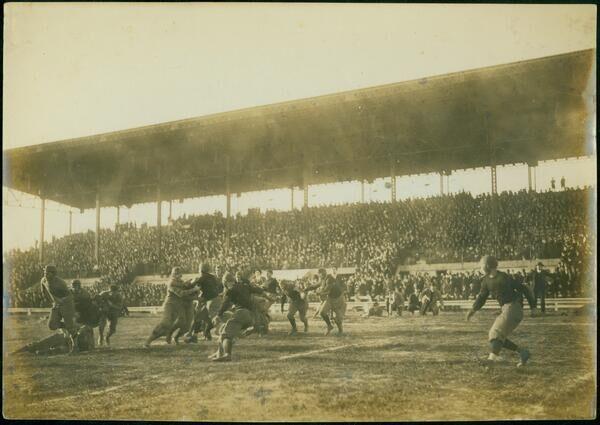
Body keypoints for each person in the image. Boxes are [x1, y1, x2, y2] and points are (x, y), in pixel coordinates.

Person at [466, 255, 537, 367]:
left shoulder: (504, 277)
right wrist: (473, 310)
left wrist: (533, 307)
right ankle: (523, 352)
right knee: (496, 336)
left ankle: (491, 361)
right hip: (507, 309)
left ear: (488, 266)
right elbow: (482, 297)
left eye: (482, 265)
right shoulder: (485, 280)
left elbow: (523, 288)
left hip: (513, 307)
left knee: (496, 333)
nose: (481, 268)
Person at [210, 270, 265, 362]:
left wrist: (218, 315)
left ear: (225, 282)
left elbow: (225, 304)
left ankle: (227, 354)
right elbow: (260, 290)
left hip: (241, 314)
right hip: (250, 316)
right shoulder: (244, 285)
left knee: (225, 335)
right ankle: (219, 353)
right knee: (223, 329)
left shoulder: (230, 290)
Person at [144, 267, 199, 348]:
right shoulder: (171, 282)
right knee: (165, 323)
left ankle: (170, 334)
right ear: (172, 274)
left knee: (183, 323)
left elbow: (185, 285)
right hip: (170, 305)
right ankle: (148, 340)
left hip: (178, 305)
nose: (177, 275)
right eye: (175, 274)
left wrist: (193, 281)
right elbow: (181, 293)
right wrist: (194, 289)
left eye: (178, 273)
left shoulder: (180, 282)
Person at [40, 265, 77, 338]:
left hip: (67, 304)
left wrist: (61, 301)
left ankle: (75, 344)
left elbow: (69, 296)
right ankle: (70, 327)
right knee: (52, 325)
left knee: (70, 328)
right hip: (56, 304)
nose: (45, 274)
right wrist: (52, 301)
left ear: (53, 274)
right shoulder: (43, 280)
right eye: (44, 272)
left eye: (47, 273)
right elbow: (43, 291)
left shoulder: (61, 283)